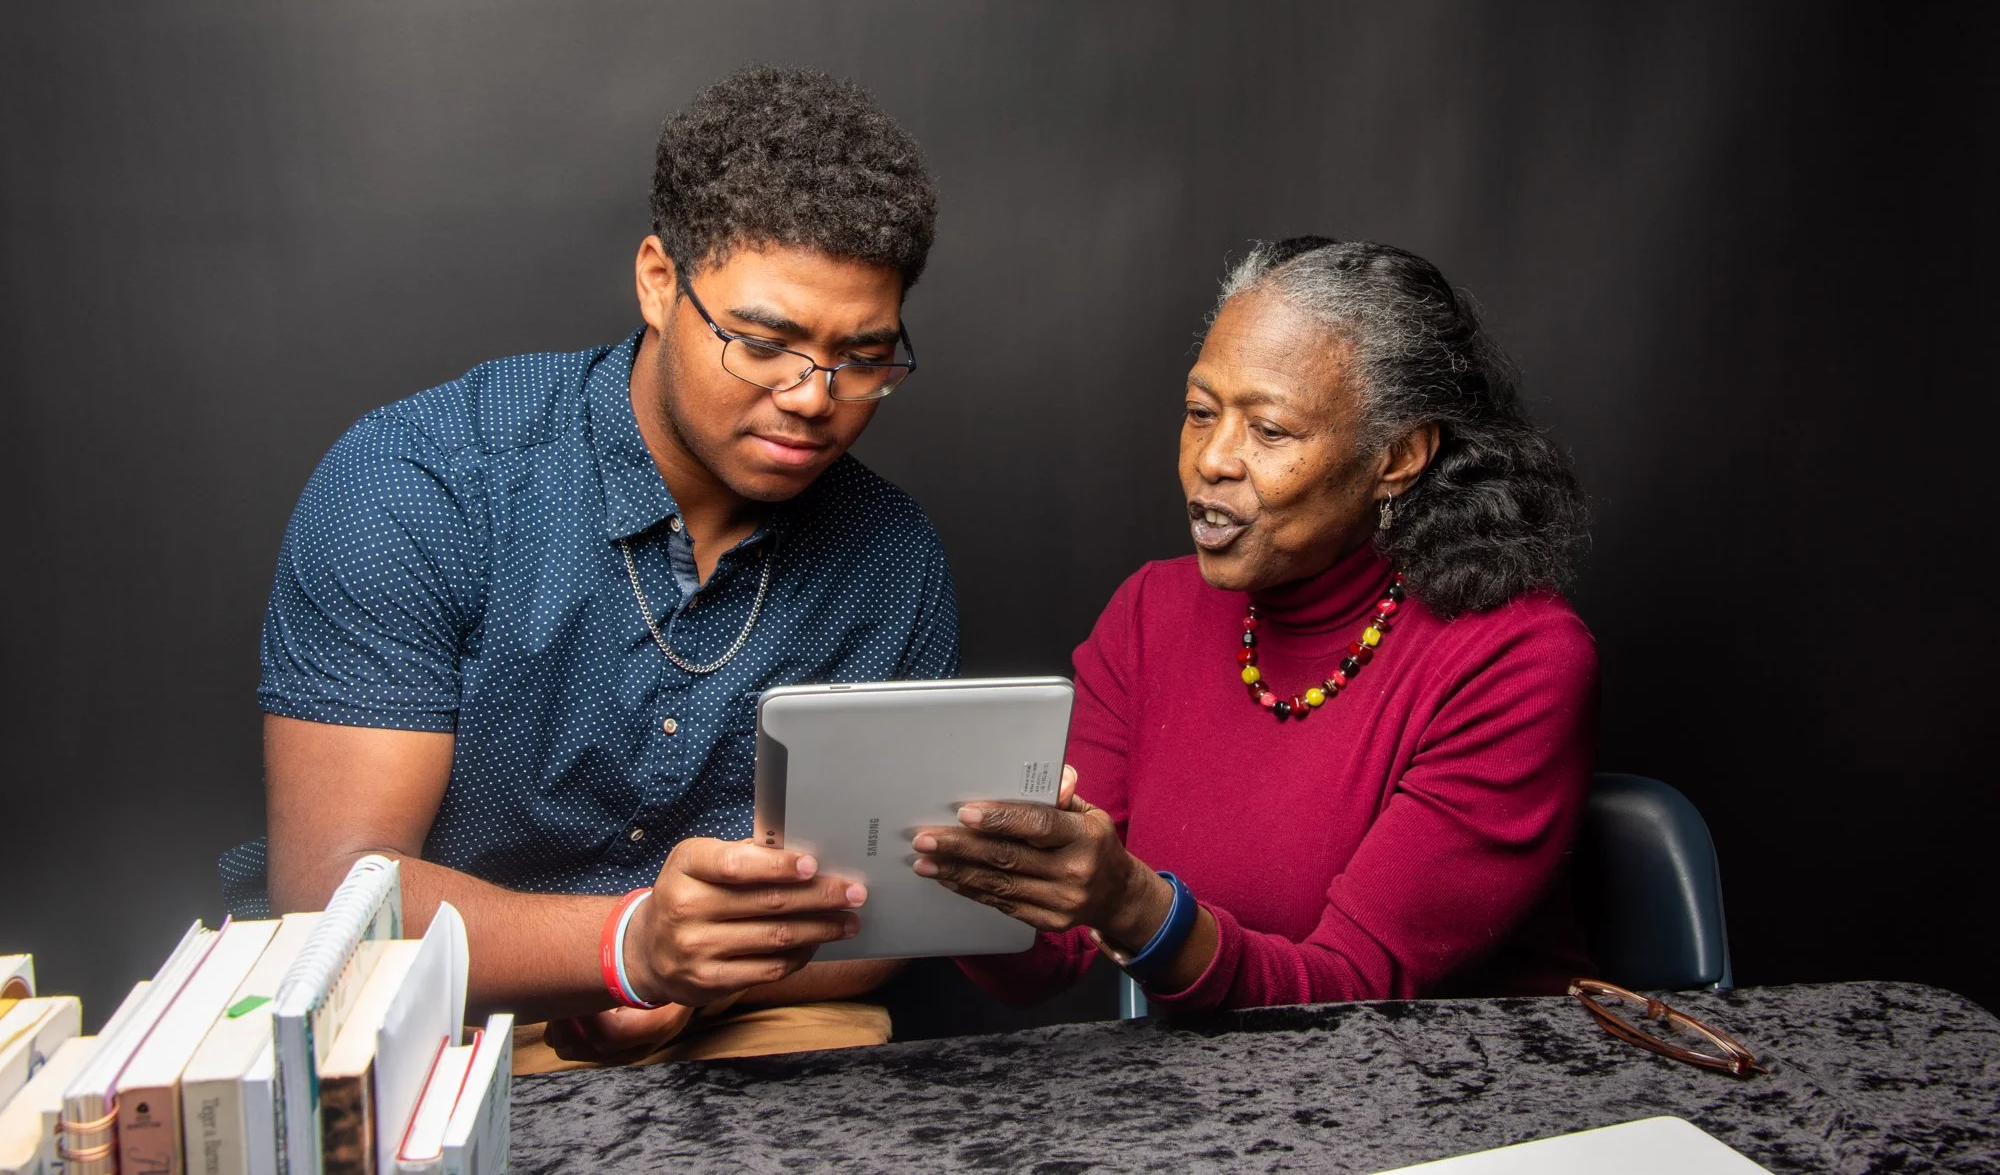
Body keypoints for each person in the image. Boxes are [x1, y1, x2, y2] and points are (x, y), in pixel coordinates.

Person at [225, 66, 958, 1065]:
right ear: (659, 280)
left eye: (862, 357)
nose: (811, 396)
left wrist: (687, 981)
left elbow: (878, 926)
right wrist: (625, 948)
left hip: (745, 1018)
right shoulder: (420, 485)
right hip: (427, 1022)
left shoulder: (891, 556)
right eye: (764, 340)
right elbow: (335, 895)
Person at [918, 238, 1595, 1009]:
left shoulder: (1517, 658)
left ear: (1399, 457)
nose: (1212, 459)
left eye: (1269, 432)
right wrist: (943, 863)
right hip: (1220, 1105)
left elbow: (1351, 995)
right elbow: (1053, 952)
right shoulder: (1151, 613)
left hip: (1471, 1093)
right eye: (1200, 413)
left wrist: (1130, 904)